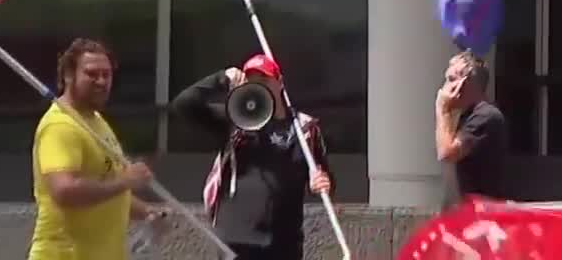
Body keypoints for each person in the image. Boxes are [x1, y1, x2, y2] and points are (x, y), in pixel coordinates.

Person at [171, 54, 333, 260]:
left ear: (279, 83)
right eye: (251, 82)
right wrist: (222, 78)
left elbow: (324, 178)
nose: (259, 87)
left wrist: (321, 182)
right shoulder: (235, 122)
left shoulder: (305, 130)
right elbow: (183, 105)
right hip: (236, 241)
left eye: (264, 80)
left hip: (285, 244)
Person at [28, 38, 163, 260]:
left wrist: (146, 211)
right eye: (92, 74)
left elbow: (106, 185)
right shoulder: (60, 125)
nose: (101, 81)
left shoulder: (95, 120)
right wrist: (126, 181)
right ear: (68, 75)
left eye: (106, 74)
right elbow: (64, 191)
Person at [435, 50, 508, 206]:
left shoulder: (486, 116)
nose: (444, 88)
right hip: (464, 218)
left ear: (464, 82)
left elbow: (446, 153)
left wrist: (442, 109)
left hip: (480, 219)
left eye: (450, 79)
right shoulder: (467, 116)